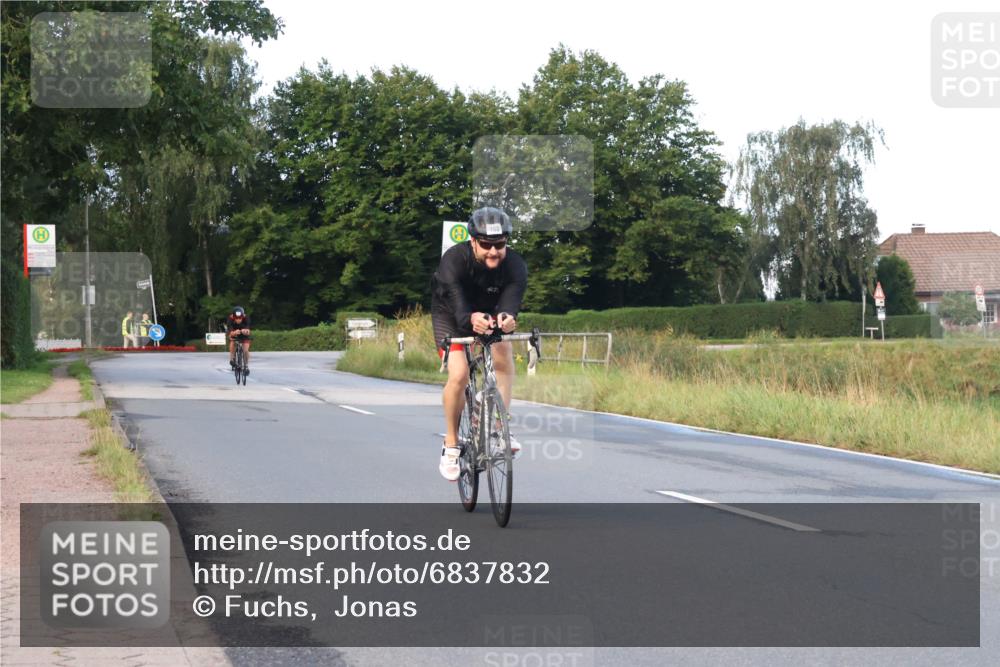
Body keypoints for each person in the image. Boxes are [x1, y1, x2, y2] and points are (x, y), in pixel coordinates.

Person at [431, 207, 528, 481]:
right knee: (459, 374)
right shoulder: (454, 260)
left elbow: (510, 302)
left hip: (488, 311)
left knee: (503, 354)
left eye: (499, 245)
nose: (493, 251)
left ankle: (498, 428)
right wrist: (469, 318)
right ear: (473, 241)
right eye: (486, 245)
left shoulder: (515, 265)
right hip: (450, 313)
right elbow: (457, 304)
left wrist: (508, 318)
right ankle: (451, 444)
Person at [226, 306, 252, 372]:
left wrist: (245, 331)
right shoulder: (230, 318)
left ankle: (246, 366)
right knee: (233, 342)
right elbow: (230, 331)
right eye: (236, 318)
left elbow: (248, 330)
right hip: (234, 332)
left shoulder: (246, 318)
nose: (238, 320)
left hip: (244, 333)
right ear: (233, 317)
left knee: (246, 350)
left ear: (242, 316)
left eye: (240, 318)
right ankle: (232, 359)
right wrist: (234, 332)